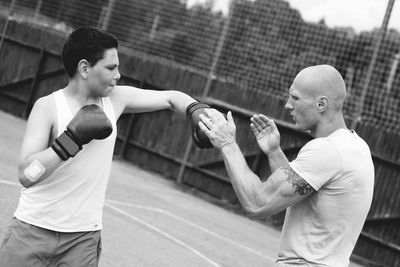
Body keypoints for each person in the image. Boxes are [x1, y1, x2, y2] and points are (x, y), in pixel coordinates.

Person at [0, 26, 211, 266]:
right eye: (111, 67)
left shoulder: (116, 100)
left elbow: (171, 98)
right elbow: (27, 175)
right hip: (32, 230)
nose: (118, 74)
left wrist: (196, 109)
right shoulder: (48, 107)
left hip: (82, 239)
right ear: (84, 68)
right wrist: (70, 141)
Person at [198, 64, 375, 266]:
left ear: (321, 104)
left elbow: (258, 203)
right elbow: (300, 195)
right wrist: (274, 152)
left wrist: (227, 144)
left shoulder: (327, 150)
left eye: (296, 98)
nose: (288, 105)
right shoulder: (356, 146)